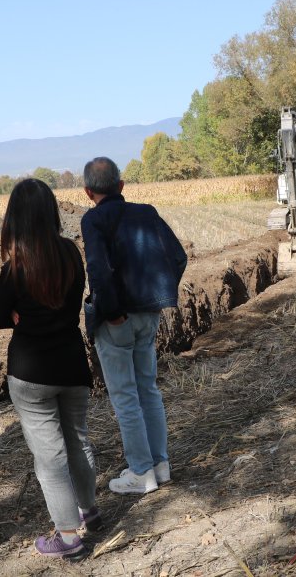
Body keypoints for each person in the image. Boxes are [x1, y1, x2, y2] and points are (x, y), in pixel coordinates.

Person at [0, 178, 98, 560]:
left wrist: (17, 314)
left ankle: (68, 538)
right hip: (72, 364)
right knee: (78, 440)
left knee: (50, 458)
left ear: (15, 218)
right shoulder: (71, 254)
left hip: (31, 372)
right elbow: (72, 302)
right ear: (51, 212)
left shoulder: (15, 267)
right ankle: (89, 511)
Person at [80, 157, 187, 495]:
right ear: (121, 186)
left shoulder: (93, 220)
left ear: (87, 192)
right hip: (148, 315)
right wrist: (157, 297)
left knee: (126, 397)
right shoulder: (147, 213)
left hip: (117, 320)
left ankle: (141, 473)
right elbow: (179, 257)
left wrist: (112, 312)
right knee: (148, 389)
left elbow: (98, 270)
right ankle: (160, 465)